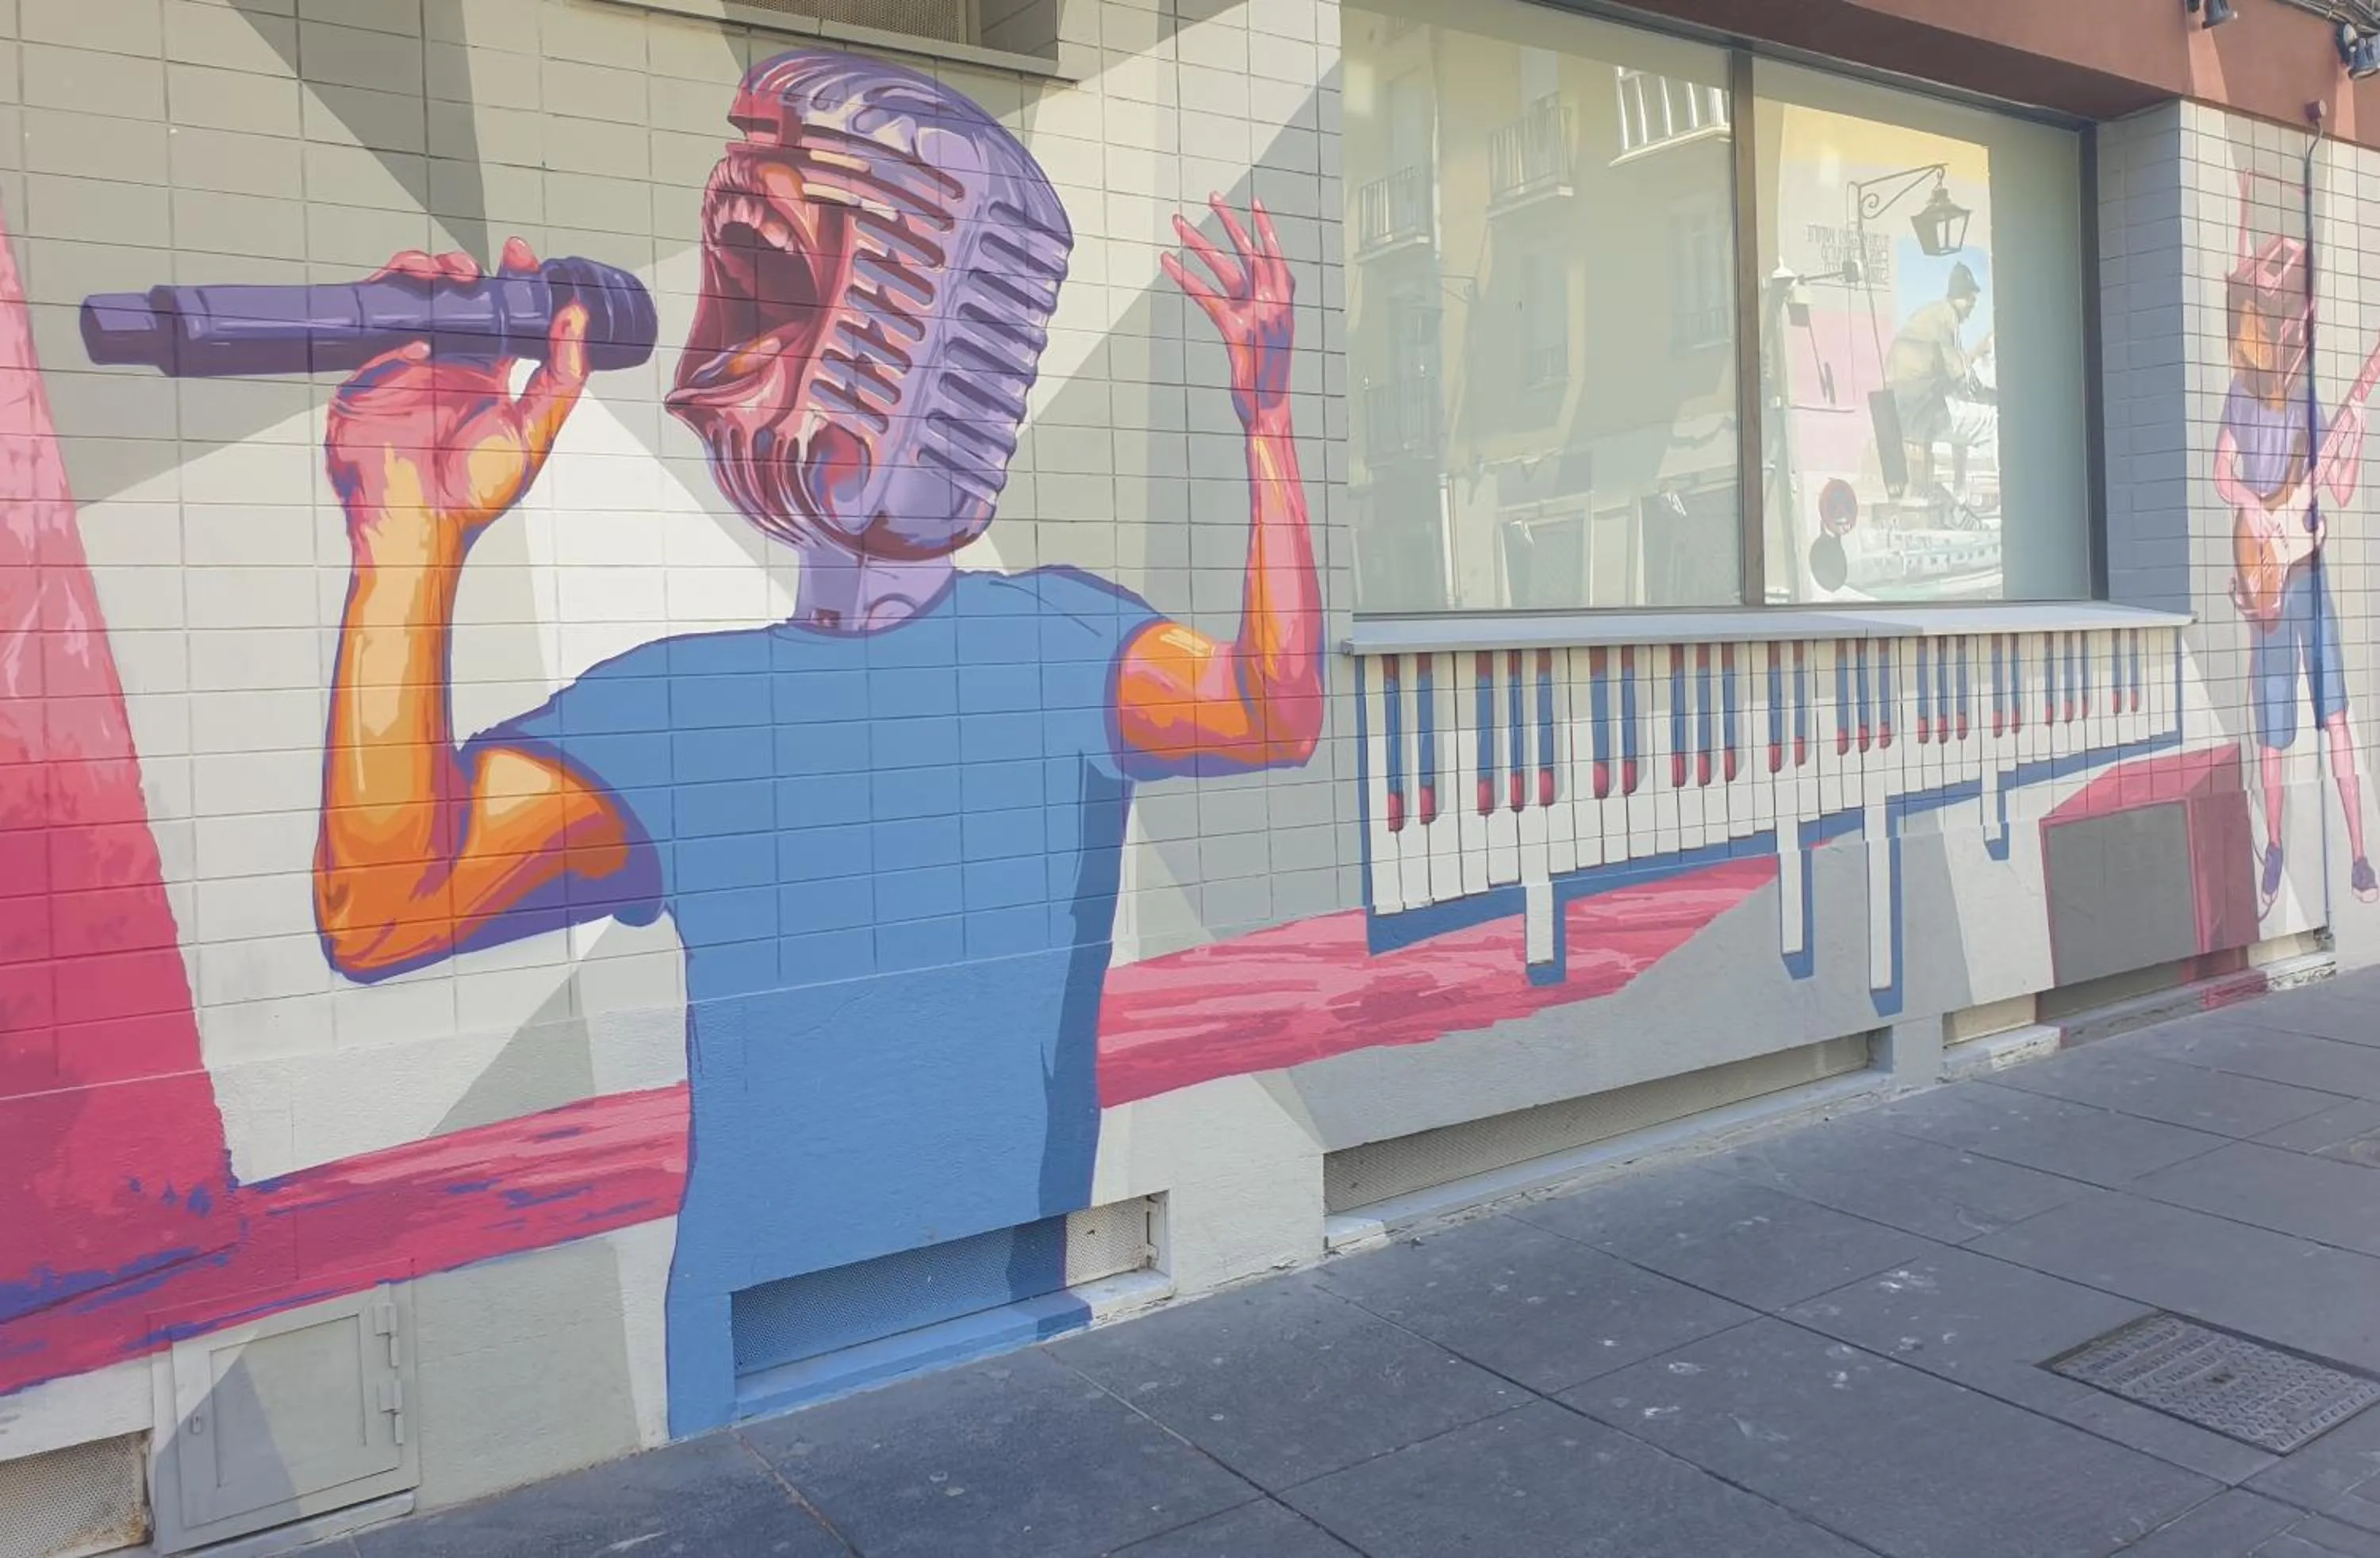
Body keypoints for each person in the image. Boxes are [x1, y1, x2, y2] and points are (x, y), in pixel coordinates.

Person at [308, 51, 1322, 1435]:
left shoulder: (1059, 644)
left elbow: (1273, 707)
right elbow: (386, 902)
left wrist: (1268, 422)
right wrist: (408, 541)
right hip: (736, 1355)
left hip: (1027, 1311)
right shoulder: (681, 710)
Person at [2217, 225, 2376, 913]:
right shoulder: (2241, 394)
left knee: (2336, 715)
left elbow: (2337, 489)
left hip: (2310, 577)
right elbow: (2222, 475)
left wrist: (2354, 440)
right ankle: (2276, 844)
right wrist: (2256, 510)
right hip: (2268, 580)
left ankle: (2361, 856)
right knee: (2273, 730)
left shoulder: (2311, 401)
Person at [1883, 262, 1997, 504]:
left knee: (1957, 412)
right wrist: (1982, 354)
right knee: (1993, 422)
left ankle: (1955, 490)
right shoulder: (1948, 317)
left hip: (1899, 400)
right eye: (1971, 302)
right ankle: (1972, 490)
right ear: (1961, 297)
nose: (1972, 310)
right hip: (1918, 402)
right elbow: (1960, 376)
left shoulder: (1930, 315)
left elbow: (1952, 371)